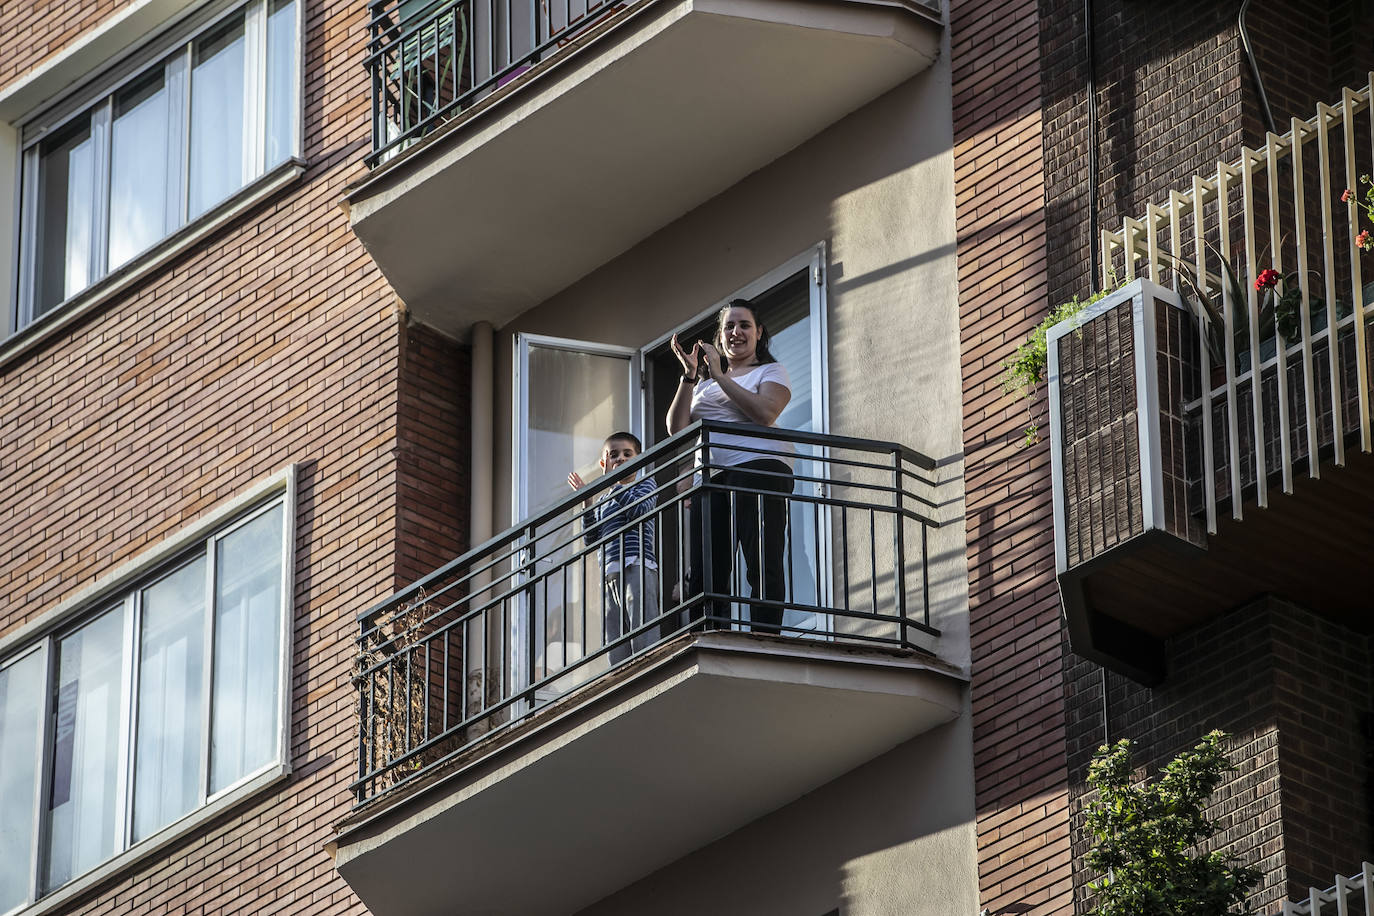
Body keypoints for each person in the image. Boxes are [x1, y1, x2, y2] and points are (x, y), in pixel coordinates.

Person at [666, 299, 794, 634]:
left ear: (759, 333)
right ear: (720, 337)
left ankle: (764, 638)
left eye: (744, 325)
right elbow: (677, 430)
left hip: (760, 470)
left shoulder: (770, 371)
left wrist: (721, 375)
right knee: (707, 569)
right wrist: (690, 375)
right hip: (711, 479)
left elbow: (766, 413)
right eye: (729, 327)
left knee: (762, 560)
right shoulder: (704, 384)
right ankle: (709, 637)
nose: (736, 332)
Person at [567, 432, 660, 665]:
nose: (620, 459)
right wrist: (587, 504)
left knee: (641, 622)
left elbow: (638, 510)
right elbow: (591, 538)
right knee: (614, 631)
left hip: (636, 563)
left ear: (640, 459)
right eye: (614, 455)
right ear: (603, 464)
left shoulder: (646, 483)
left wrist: (614, 487)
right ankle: (620, 673)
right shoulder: (604, 500)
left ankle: (648, 664)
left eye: (627, 454)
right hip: (609, 571)